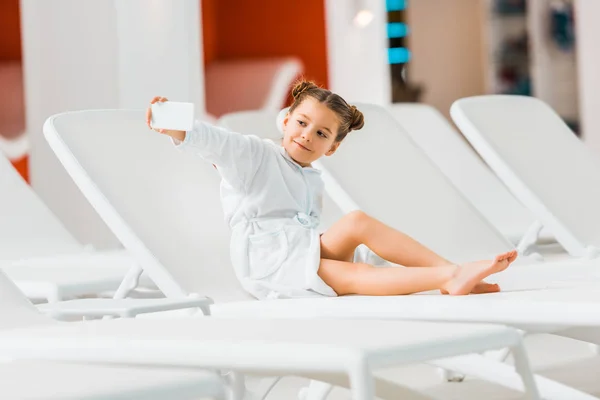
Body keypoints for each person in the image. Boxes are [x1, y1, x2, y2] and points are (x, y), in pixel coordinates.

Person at [146, 81, 517, 300]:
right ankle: (448, 279)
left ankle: (457, 272)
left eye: (321, 133)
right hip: (268, 264)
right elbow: (215, 142)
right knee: (348, 276)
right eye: (302, 123)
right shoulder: (256, 155)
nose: (308, 135)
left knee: (356, 221)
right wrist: (171, 122)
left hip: (297, 248)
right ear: (287, 120)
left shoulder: (310, 176)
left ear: (332, 147)